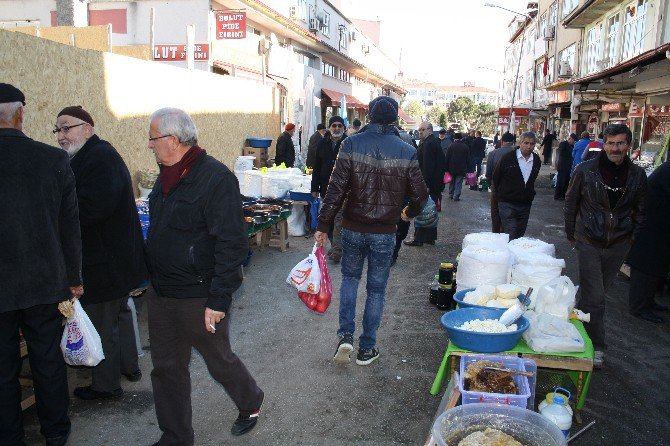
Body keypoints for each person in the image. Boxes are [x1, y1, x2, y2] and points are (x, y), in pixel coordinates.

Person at [145, 108, 264, 443]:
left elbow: (233, 244)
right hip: (162, 292)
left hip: (198, 295)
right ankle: (176, 436)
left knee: (218, 359)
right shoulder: (166, 176)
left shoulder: (215, 178)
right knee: (166, 369)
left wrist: (218, 299)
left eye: (153, 139)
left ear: (173, 140)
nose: (150, 145)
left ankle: (250, 399)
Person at [314, 96, 428, 366]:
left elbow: (335, 190)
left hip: (353, 227)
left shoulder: (351, 143)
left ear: (370, 118)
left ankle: (345, 337)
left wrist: (322, 225)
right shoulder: (406, 149)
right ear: (394, 120)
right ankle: (367, 348)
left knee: (350, 280)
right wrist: (407, 214)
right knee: (376, 290)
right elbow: (421, 195)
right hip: (385, 232)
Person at [0, 83, 83, 446]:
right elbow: (70, 226)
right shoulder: (53, 160)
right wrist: (75, 278)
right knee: (48, 362)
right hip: (44, 282)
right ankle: (56, 434)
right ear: (21, 114)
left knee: (2, 370)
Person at [55, 106, 147, 400]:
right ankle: (129, 366)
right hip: (113, 258)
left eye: (66, 128)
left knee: (102, 319)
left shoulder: (98, 157)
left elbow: (93, 208)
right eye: (57, 130)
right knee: (119, 312)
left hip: (105, 260)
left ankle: (106, 385)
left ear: (88, 128)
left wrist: (59, 214)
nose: (61, 136)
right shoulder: (89, 156)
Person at [564, 124, 647, 368]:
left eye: (620, 143)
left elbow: (641, 210)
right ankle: (596, 346)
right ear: (604, 144)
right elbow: (571, 203)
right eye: (611, 143)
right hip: (588, 240)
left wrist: (632, 239)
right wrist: (572, 235)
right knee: (596, 297)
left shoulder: (637, 175)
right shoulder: (585, 170)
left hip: (619, 243)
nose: (615, 148)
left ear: (628, 145)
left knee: (593, 296)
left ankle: (573, 329)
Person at [627, 159, 670, 323]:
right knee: (646, 267)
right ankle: (639, 307)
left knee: (655, 267)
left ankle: (648, 301)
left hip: (658, 225)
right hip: (651, 226)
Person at [311, 116, 348, 262]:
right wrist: (314, 187)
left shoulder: (348, 143)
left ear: (344, 128)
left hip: (343, 189)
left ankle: (337, 250)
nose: (337, 128)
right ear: (329, 128)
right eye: (334, 125)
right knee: (329, 219)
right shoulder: (322, 144)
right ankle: (335, 245)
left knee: (339, 219)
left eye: (340, 126)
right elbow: (317, 167)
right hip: (326, 188)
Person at [492, 131, 541, 240]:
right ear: (520, 143)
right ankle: (506, 256)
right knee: (511, 233)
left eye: (532, 144)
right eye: (526, 143)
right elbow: (496, 177)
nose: (529, 146)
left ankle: (513, 256)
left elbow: (532, 180)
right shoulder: (508, 158)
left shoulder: (536, 160)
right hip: (507, 203)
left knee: (519, 236)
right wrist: (499, 196)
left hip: (525, 204)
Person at [485, 132, 516, 232]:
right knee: (511, 216)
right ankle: (508, 237)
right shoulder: (518, 154)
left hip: (496, 189)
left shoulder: (493, 153)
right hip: (514, 191)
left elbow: (488, 174)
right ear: (513, 142)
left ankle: (496, 235)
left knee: (496, 214)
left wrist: (492, 185)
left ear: (502, 141)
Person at [415, 121, 446, 210]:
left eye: (423, 129)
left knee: (428, 212)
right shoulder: (431, 141)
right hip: (434, 184)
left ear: (430, 130)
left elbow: (428, 166)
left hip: (430, 184)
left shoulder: (429, 143)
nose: (420, 132)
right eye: (419, 130)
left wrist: (426, 185)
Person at [444, 132, 470, 202]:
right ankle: (456, 195)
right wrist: (468, 168)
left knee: (452, 181)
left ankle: (451, 194)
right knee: (458, 182)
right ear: (461, 138)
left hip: (451, 168)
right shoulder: (465, 147)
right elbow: (468, 159)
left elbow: (447, 158)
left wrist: (446, 168)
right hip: (461, 168)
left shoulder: (451, 146)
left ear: (454, 138)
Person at [555, 133, 578, 200]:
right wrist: (571, 154)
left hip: (568, 166)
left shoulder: (572, 146)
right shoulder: (563, 144)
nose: (574, 142)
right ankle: (558, 195)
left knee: (566, 181)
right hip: (562, 166)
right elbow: (561, 153)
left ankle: (563, 195)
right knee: (561, 181)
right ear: (570, 139)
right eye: (573, 140)